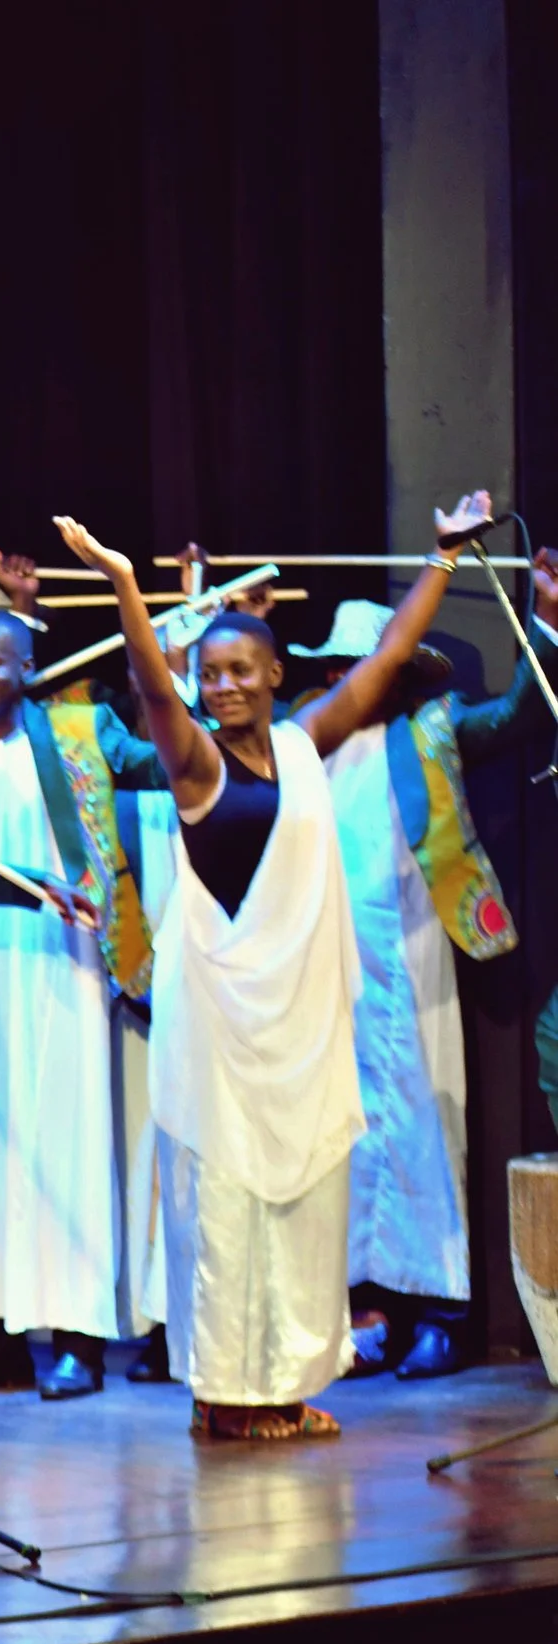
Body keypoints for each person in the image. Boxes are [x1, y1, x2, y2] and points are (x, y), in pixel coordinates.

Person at [57, 499, 475, 1440]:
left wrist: (443, 560)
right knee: (230, 1213)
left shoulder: (302, 745)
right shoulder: (197, 766)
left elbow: (379, 671)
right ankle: (224, 1395)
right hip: (225, 1037)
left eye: (242, 669)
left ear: (276, 675)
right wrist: (127, 587)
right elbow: (153, 692)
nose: (225, 686)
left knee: (305, 1210)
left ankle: (281, 1384)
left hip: (300, 1032)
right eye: (212, 674)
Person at [292, 552, 558, 1378]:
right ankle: (362, 1310)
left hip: (410, 959)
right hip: (320, 961)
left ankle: (440, 1309)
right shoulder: (300, 743)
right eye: (340, 669)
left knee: (419, 1126)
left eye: (365, 666)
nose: (352, 680)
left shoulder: (429, 731)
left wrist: (544, 617)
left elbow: (520, 714)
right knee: (338, 1135)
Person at [0, 564, 161, 1401]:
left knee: (63, 1143)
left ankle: (78, 1341)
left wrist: (178, 672)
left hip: (58, 975)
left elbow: (162, 760)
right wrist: (6, 883)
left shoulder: (82, 732)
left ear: (25, 667)